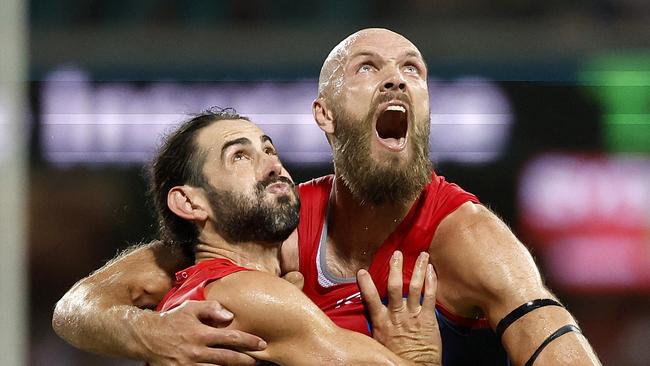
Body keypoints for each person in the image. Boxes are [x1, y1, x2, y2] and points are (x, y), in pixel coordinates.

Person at [53, 28, 601, 366]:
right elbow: (76, 307)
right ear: (325, 114)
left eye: (413, 69)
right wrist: (148, 334)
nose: (396, 80)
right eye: (369, 67)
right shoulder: (273, 223)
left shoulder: (470, 240)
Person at [136, 109, 441, 365]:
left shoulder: (205, 290)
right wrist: (421, 355)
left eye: (269, 150)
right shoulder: (240, 293)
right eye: (239, 156)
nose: (273, 166)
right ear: (189, 203)